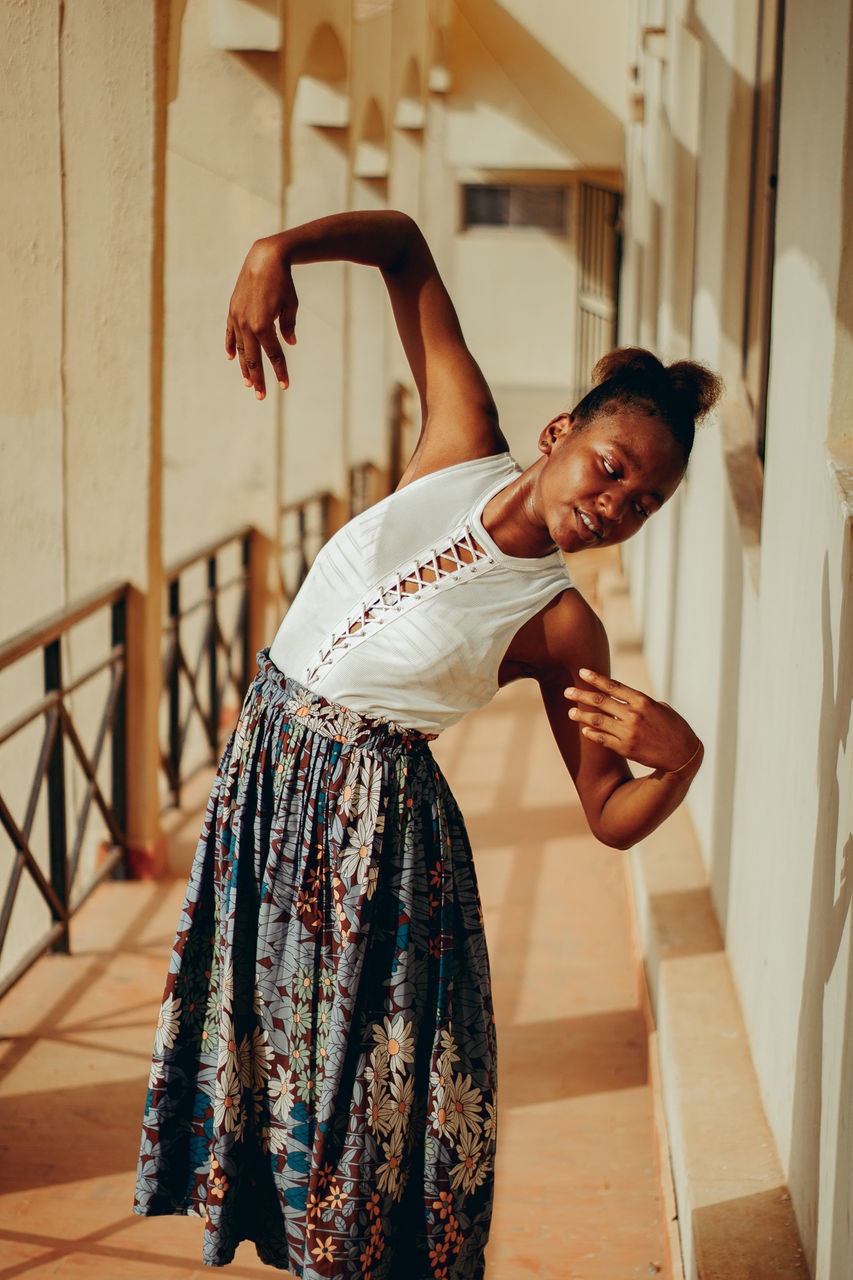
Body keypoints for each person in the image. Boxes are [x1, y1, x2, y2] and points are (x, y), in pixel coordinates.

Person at [134, 210, 721, 1278]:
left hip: (377, 849)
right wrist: (275, 249)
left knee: (357, 1116)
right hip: (267, 779)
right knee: (269, 1066)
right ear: (557, 434)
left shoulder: (560, 624)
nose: (614, 505)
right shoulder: (456, 437)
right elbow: (403, 244)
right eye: (608, 468)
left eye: (643, 503)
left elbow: (606, 816)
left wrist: (679, 764)